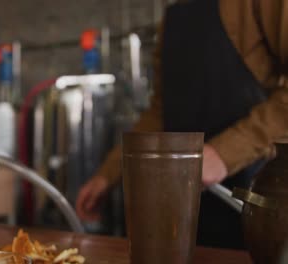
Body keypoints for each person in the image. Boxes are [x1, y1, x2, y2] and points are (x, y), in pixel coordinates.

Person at [76, 0, 288, 249]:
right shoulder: (175, 12)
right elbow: (161, 112)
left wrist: (224, 153)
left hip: (250, 202)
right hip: (181, 210)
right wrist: (110, 173)